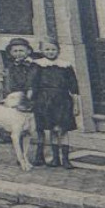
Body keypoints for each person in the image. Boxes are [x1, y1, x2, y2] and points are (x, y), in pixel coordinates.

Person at [27, 37, 79, 168]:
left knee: (63, 130)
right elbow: (32, 84)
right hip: (44, 100)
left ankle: (66, 159)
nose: (50, 52)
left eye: (53, 49)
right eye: (47, 49)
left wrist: (76, 104)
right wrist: (30, 99)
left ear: (59, 50)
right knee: (51, 130)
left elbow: (73, 87)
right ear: (42, 50)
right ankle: (55, 158)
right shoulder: (38, 65)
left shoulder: (65, 66)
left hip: (62, 100)